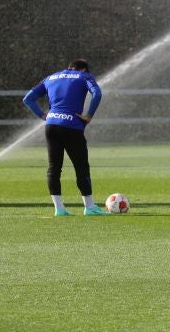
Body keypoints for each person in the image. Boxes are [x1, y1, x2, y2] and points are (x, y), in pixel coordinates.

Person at [22, 59, 107, 217]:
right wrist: (88, 116)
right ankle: (89, 207)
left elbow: (27, 99)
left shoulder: (51, 77)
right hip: (72, 126)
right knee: (81, 167)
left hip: (51, 125)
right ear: (84, 69)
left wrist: (42, 115)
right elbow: (97, 93)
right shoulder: (84, 76)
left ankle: (59, 209)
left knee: (54, 167)